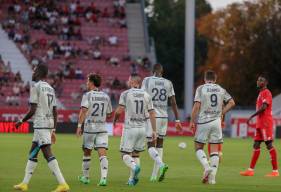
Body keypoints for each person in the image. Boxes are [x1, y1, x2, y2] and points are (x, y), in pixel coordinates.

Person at [14, 64, 69, 192]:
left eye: (34, 71)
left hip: (41, 125)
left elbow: (32, 109)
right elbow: (55, 111)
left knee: (47, 153)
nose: (32, 73)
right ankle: (24, 183)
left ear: (38, 72)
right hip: (47, 125)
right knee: (32, 153)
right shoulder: (50, 88)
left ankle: (63, 184)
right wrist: (53, 130)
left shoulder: (36, 87)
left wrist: (21, 121)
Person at [113, 74, 167, 186]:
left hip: (130, 128)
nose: (128, 82)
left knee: (124, 154)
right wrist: (154, 130)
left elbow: (119, 111)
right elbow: (152, 113)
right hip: (142, 128)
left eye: (129, 80)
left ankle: (134, 167)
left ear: (133, 82)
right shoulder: (146, 95)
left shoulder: (126, 94)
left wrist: (115, 119)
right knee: (136, 154)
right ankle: (132, 180)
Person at [189, 70, 235, 184]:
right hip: (217, 122)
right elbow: (232, 102)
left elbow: (196, 106)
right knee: (215, 150)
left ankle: (206, 166)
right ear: (215, 79)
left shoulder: (201, 89)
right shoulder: (221, 89)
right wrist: (222, 112)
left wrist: (192, 121)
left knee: (198, 147)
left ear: (205, 79)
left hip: (204, 121)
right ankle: (212, 179)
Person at [141, 63, 182, 182]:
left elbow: (142, 97)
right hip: (164, 117)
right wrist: (178, 120)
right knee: (160, 144)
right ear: (162, 72)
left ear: (152, 71)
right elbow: (173, 102)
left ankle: (162, 164)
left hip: (153, 116)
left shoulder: (147, 80)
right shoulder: (168, 83)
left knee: (150, 145)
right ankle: (154, 175)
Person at [76, 73, 112, 186]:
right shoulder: (106, 96)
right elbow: (110, 113)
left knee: (87, 152)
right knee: (102, 153)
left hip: (90, 128)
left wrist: (79, 126)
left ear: (91, 82)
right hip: (102, 128)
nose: (86, 83)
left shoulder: (87, 95)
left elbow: (83, 111)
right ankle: (103, 179)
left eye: (87, 81)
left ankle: (86, 177)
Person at [240, 74, 279, 177]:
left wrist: (252, 116)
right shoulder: (261, 93)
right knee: (256, 144)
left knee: (269, 144)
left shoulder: (267, 92)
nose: (258, 81)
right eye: (258, 80)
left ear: (266, 83)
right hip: (260, 123)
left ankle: (275, 171)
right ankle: (250, 170)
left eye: (261, 80)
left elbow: (264, 107)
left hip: (265, 122)